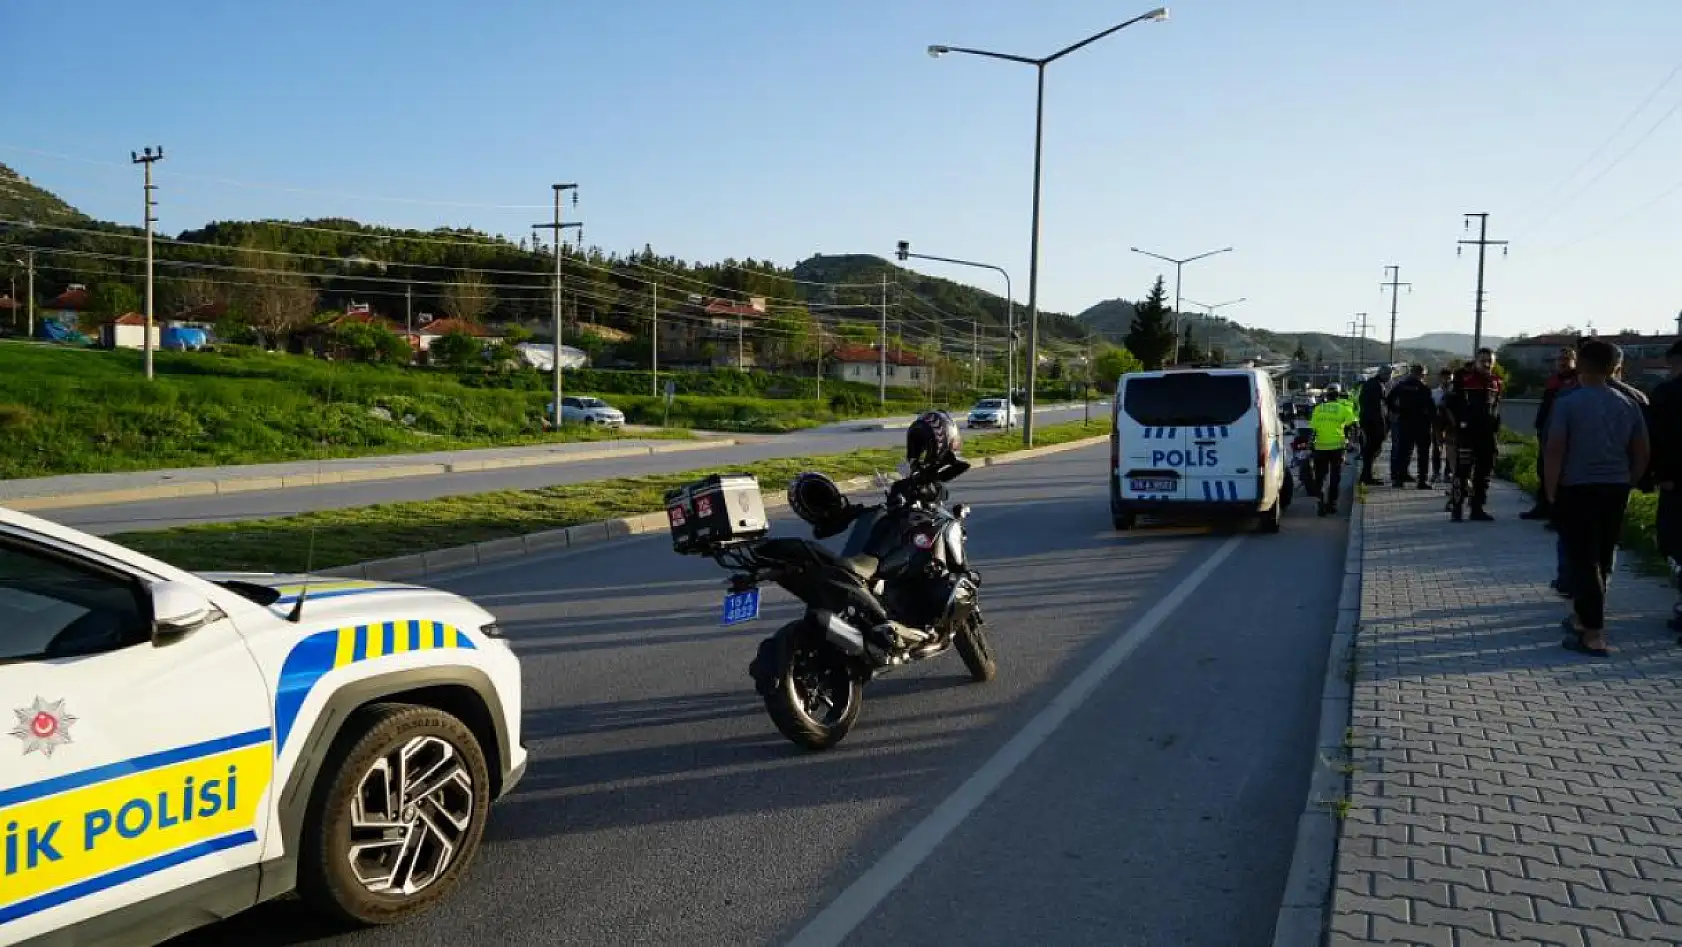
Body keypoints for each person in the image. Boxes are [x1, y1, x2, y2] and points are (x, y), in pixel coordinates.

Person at [1544, 338, 1648, 657]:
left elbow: (1555, 450)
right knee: (1602, 557)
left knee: (1583, 560)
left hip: (1577, 488)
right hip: (1615, 488)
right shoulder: (1627, 402)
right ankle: (1581, 618)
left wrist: (1550, 492)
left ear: (1581, 365)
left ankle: (1593, 634)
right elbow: (1642, 452)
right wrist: (1628, 481)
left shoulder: (1568, 402)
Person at [1444, 348, 1505, 521]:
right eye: (1483, 360)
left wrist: (1496, 424)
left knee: (1484, 471)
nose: (1486, 364)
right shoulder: (1463, 379)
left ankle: (1477, 508)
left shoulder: (1496, 382)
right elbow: (1449, 404)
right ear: (1476, 361)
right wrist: (1458, 425)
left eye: (1489, 361)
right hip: (1467, 434)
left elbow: (1496, 407)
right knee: (1462, 471)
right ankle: (1457, 509)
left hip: (1487, 435)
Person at [1522, 348, 1579, 520]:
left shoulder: (1577, 381)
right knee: (1543, 470)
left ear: (1574, 361)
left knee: (1562, 473)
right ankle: (1543, 507)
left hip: (1565, 434)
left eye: (1566, 359)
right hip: (1547, 430)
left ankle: (1559, 512)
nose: (1562, 362)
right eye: (1559, 359)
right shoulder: (1553, 380)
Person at [1649, 340, 1682, 639]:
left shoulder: (1668, 394)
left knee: (1673, 541)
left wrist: (1660, 474)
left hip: (1676, 482)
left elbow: (1656, 439)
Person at [1309, 383, 1358, 516]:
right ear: (1338, 395)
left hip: (1320, 446)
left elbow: (1313, 426)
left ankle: (1320, 498)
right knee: (1335, 476)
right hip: (1337, 447)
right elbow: (1352, 423)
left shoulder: (1318, 409)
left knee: (1320, 475)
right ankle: (1332, 503)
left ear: (1326, 395)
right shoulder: (1342, 408)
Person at [1385, 364, 1436, 489]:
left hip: (1404, 422)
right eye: (1424, 375)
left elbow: (1388, 400)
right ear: (1421, 374)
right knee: (1423, 454)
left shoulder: (1401, 386)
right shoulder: (1424, 388)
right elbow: (1431, 408)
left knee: (1403, 452)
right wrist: (1432, 420)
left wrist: (1397, 410)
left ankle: (1398, 480)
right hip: (1421, 424)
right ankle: (1422, 481)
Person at [1357, 366, 1392, 486]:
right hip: (1374, 422)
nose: (1389, 378)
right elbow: (1379, 407)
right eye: (1388, 375)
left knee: (1370, 449)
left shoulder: (1369, 384)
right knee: (1372, 449)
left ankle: (1366, 475)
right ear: (1385, 374)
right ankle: (1366, 476)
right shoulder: (1377, 386)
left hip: (1366, 420)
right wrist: (1384, 425)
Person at [1430, 367, 1454, 483]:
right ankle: (1436, 472)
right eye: (1445, 378)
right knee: (1437, 449)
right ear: (1440, 378)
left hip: (1451, 425)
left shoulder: (1454, 394)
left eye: (1449, 378)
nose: (1447, 380)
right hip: (1437, 425)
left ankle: (1448, 472)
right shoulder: (1434, 393)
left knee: (1450, 449)